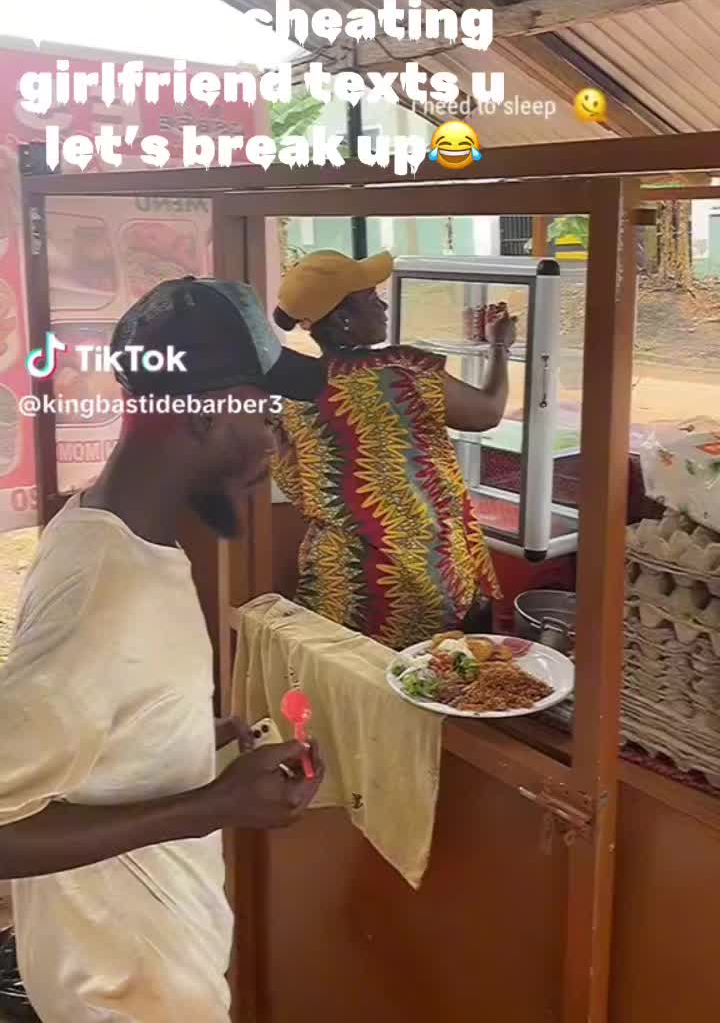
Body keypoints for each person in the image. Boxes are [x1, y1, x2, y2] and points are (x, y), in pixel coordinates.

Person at [0, 276, 325, 1023]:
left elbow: (84, 712)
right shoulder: (109, 596)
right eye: (266, 413)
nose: (275, 442)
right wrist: (217, 803)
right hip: (120, 999)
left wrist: (172, 739)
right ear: (204, 416)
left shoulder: (102, 527)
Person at [271, 249, 517, 650]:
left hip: (337, 580)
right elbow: (487, 411)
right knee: (424, 677)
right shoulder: (402, 372)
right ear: (343, 318)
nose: (383, 305)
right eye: (371, 298)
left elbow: (296, 484)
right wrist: (500, 347)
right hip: (419, 578)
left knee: (349, 680)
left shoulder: (293, 390)